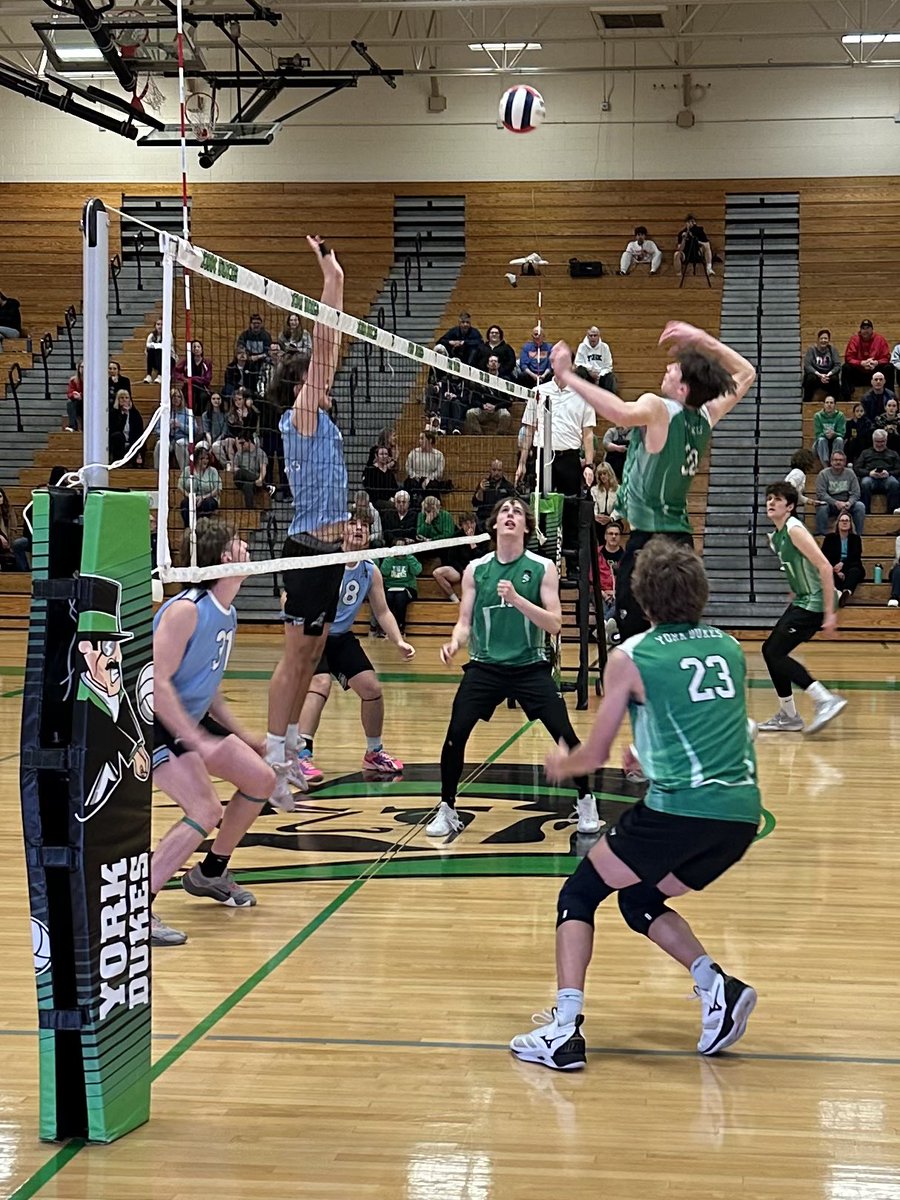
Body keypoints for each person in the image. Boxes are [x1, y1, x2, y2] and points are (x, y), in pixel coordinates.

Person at [509, 540, 759, 1070]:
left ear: (641, 598)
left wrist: (562, 765)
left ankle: (564, 1030)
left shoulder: (631, 656)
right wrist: (647, 754)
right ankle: (716, 985)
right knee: (636, 898)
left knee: (578, 893)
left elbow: (593, 754)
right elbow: (713, 722)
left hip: (679, 811)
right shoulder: (730, 647)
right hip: (738, 817)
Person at [548, 322, 756, 640]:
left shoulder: (658, 407)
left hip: (650, 544)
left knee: (634, 630)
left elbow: (618, 412)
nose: (670, 367)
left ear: (683, 389)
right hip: (682, 542)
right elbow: (747, 374)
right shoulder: (706, 415)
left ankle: (633, 668)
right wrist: (701, 339)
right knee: (677, 628)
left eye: (676, 369)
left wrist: (567, 377)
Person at [149, 519, 292, 946]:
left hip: (191, 720)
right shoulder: (186, 609)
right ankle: (136, 909)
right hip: (152, 722)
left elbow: (209, 694)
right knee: (204, 808)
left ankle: (210, 872)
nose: (248, 549)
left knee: (261, 778)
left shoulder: (227, 613)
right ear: (226, 558)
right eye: (241, 546)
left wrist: (251, 740)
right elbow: (156, 683)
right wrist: (194, 741)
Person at [428, 496, 601, 839]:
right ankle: (447, 808)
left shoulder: (542, 568)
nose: (510, 515)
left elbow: (554, 624)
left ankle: (586, 800)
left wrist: (520, 600)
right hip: (485, 667)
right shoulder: (476, 570)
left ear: (526, 527)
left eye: (517, 512)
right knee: (455, 735)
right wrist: (454, 642)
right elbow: (464, 621)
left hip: (531, 666)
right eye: (504, 510)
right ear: (494, 524)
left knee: (566, 735)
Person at [265, 236, 347, 792]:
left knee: (315, 652)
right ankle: (273, 756)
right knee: (296, 658)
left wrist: (337, 278)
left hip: (331, 551)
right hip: (306, 550)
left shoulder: (321, 420)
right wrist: (330, 278)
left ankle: (292, 743)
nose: (328, 378)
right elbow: (326, 346)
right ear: (300, 385)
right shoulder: (302, 415)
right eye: (316, 374)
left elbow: (331, 351)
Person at [287, 513, 414, 786]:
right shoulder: (325, 560)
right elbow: (293, 592)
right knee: (320, 683)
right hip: (313, 634)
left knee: (372, 689)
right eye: (354, 524)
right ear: (342, 530)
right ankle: (300, 754)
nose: (359, 528)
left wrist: (398, 641)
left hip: (341, 638)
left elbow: (382, 611)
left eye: (365, 526)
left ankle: (374, 752)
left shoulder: (370, 569)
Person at [758, 481, 846, 734]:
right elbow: (799, 567)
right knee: (770, 651)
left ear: (791, 506)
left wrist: (830, 614)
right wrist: (795, 587)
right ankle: (788, 716)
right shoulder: (779, 535)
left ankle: (825, 699)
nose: (771, 503)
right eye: (769, 498)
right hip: (803, 599)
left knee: (774, 652)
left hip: (815, 603)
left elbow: (825, 567)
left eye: (777, 499)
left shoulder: (794, 529)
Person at [432, 514, 482, 602]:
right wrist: (462, 570)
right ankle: (455, 600)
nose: (470, 526)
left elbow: (481, 557)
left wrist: (472, 542)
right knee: (437, 573)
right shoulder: (456, 537)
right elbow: (451, 559)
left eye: (472, 523)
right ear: (461, 525)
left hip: (477, 568)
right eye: (466, 524)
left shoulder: (482, 535)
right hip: (460, 569)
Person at [814, 450, 865, 536]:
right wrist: (835, 503)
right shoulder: (823, 474)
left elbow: (856, 493)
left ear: (845, 462)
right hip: (830, 504)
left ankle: (857, 535)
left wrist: (849, 502)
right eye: (835, 460)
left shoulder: (850, 473)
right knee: (822, 507)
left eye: (841, 460)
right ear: (831, 461)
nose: (838, 462)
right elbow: (821, 493)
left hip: (847, 503)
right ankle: (822, 535)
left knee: (860, 506)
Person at [822, 511, 865, 606]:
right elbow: (825, 556)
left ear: (850, 523)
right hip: (833, 567)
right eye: (842, 520)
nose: (844, 522)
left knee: (856, 570)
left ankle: (846, 592)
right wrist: (836, 570)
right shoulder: (829, 538)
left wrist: (843, 565)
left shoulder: (856, 539)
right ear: (838, 523)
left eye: (847, 520)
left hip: (851, 566)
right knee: (827, 572)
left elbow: (855, 556)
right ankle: (839, 593)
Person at [380, 537, 422, 632]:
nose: (400, 549)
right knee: (388, 598)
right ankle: (387, 628)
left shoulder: (410, 558)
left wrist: (408, 556)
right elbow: (384, 572)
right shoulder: (389, 559)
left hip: (407, 588)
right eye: (397, 546)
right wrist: (391, 557)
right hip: (391, 587)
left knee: (400, 598)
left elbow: (417, 571)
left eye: (402, 546)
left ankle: (400, 626)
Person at [855, 429, 900, 513]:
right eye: (877, 441)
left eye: (882, 441)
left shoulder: (893, 454)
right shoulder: (865, 453)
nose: (879, 444)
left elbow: (898, 469)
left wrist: (888, 473)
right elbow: (857, 469)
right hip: (870, 478)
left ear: (886, 440)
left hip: (887, 478)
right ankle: (865, 512)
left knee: (894, 483)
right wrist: (869, 473)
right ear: (873, 440)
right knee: (865, 483)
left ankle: (892, 513)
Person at [465, 356, 512, 434]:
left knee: (506, 415)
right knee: (470, 413)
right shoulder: (481, 380)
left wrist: (496, 406)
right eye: (491, 361)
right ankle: (478, 435)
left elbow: (509, 402)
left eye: (495, 361)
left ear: (499, 365)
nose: (493, 363)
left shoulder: (504, 380)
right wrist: (482, 405)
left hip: (497, 409)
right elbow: (473, 400)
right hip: (483, 409)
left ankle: (500, 436)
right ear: (487, 365)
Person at [843, 320, 892, 393]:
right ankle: (846, 397)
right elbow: (849, 357)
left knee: (889, 367)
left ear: (872, 329)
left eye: (867, 328)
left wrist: (876, 362)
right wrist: (861, 363)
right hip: (859, 373)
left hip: (875, 373)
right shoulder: (854, 339)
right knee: (846, 367)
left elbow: (886, 357)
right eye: (863, 328)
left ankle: (890, 396)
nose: (865, 330)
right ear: (860, 330)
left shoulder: (880, 339)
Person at [178, 446, 220, 526]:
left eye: (207, 458)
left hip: (209, 498)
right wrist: (189, 496)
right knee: (185, 503)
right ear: (196, 459)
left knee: (207, 504)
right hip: (191, 498)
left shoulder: (213, 471)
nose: (205, 461)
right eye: (202, 458)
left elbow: (217, 489)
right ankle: (189, 529)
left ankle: (200, 528)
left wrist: (203, 497)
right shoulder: (187, 470)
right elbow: (179, 485)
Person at [472, 459, 516, 527]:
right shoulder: (484, 484)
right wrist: (481, 490)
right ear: (490, 470)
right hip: (485, 519)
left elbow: (513, 504)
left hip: (502, 519)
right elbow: (475, 503)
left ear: (503, 471)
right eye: (494, 470)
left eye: (499, 470)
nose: (496, 473)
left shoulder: (508, 486)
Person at [802, 328, 843, 402]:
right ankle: (806, 402)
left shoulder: (832, 350)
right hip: (816, 376)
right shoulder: (811, 350)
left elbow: (837, 365)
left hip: (828, 376)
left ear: (828, 340)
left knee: (835, 379)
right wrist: (820, 375)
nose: (823, 340)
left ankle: (833, 402)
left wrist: (828, 375)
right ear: (818, 339)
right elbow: (807, 366)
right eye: (821, 338)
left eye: (825, 338)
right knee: (810, 378)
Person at [404, 431, 447, 500]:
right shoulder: (413, 452)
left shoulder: (439, 455)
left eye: (422, 438)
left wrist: (428, 479)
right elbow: (408, 467)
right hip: (416, 478)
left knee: (433, 486)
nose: (419, 441)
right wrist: (414, 476)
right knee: (409, 483)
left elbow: (439, 472)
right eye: (419, 439)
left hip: (430, 479)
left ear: (430, 440)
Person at [574, 327, 617, 393]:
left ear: (598, 336)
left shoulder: (604, 347)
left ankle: (608, 400)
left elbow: (608, 366)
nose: (593, 338)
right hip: (588, 374)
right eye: (591, 335)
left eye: (595, 335)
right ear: (587, 336)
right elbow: (578, 363)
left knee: (611, 377)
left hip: (601, 375)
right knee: (579, 371)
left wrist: (599, 376)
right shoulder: (582, 347)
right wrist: (590, 370)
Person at [109, 389, 144, 466]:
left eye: (126, 398)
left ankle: (135, 460)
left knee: (138, 439)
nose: (124, 400)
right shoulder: (113, 413)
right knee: (117, 436)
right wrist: (124, 415)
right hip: (119, 440)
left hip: (132, 440)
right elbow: (115, 429)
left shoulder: (135, 413)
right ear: (118, 400)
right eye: (121, 398)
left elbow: (139, 430)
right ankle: (118, 462)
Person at [812, 395, 846, 467]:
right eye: (827, 402)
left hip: (835, 439)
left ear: (835, 405)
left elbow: (842, 433)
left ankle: (835, 461)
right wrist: (826, 434)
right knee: (821, 440)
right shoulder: (818, 416)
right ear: (824, 404)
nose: (829, 405)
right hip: (822, 441)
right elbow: (818, 434)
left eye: (831, 403)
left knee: (839, 440)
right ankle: (826, 466)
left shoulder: (840, 416)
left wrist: (834, 434)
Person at [363, 446, 400, 510]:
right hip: (376, 500)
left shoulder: (389, 472)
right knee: (392, 506)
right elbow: (370, 489)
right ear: (376, 456)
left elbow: (394, 488)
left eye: (386, 454)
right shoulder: (370, 470)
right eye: (381, 454)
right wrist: (388, 498)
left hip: (389, 499)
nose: (384, 456)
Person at [590, 461, 619, 529]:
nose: (602, 476)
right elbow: (594, 506)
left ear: (609, 474)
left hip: (614, 519)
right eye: (600, 474)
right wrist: (596, 516)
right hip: (598, 519)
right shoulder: (594, 490)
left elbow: (620, 507)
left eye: (604, 473)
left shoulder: (619, 490)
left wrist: (611, 518)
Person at [144, 318, 166, 383]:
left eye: (162, 324)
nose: (160, 326)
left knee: (159, 350)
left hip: (167, 359)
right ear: (155, 326)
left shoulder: (168, 334)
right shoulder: (151, 335)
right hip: (155, 360)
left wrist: (155, 345)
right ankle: (149, 375)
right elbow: (147, 346)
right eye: (158, 324)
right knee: (151, 351)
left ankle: (160, 375)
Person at [66, 361, 84, 432]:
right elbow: (69, 393)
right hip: (78, 402)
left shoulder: (93, 380)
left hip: (88, 402)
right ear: (79, 368)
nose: (83, 369)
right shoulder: (73, 380)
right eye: (82, 367)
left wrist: (81, 395)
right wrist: (74, 395)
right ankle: (73, 426)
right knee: (70, 403)